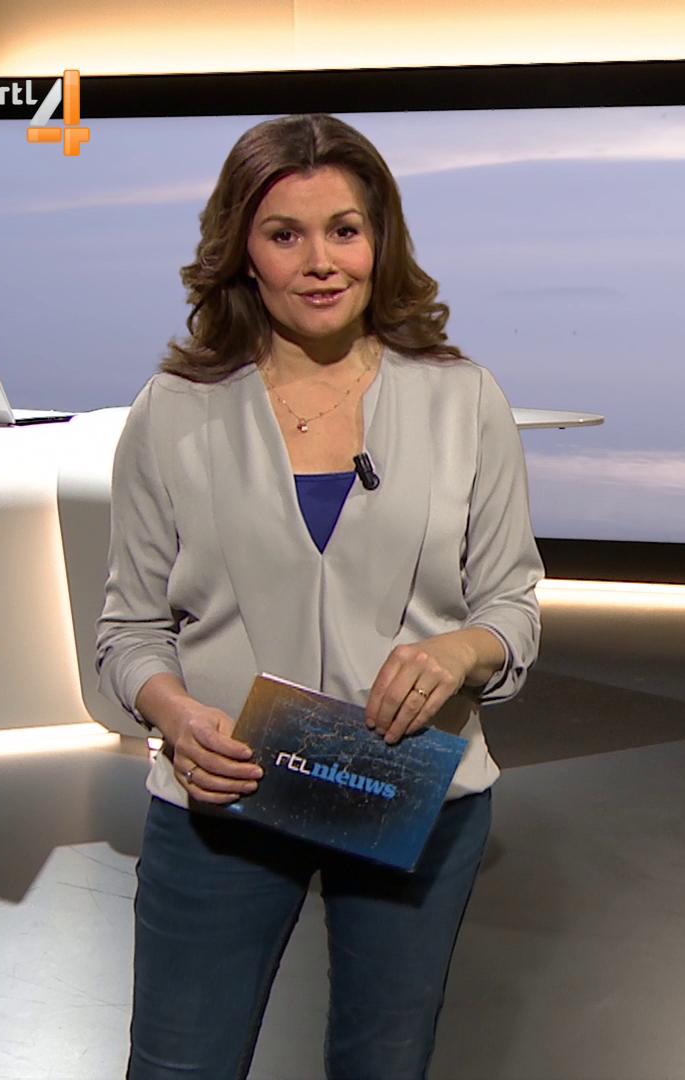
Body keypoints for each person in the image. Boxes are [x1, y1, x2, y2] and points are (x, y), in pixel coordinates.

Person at [96, 112, 543, 1079]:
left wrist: (458, 652)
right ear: (241, 252)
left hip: (409, 788)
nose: (320, 262)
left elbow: (512, 605)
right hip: (227, 791)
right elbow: (128, 631)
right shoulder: (173, 412)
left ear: (381, 240)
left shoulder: (465, 399)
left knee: (383, 1065)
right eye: (284, 234)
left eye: (344, 229)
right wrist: (174, 715)